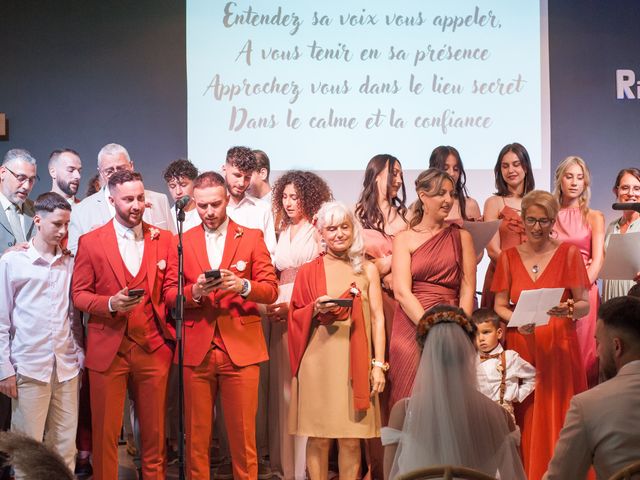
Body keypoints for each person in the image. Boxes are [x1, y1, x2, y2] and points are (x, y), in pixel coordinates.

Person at [162, 171, 278, 480]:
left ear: (227, 199)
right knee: (196, 438)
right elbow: (169, 295)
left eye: (215, 204)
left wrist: (241, 285)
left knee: (243, 438)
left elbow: (270, 289)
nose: (209, 212)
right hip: (196, 349)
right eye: (202, 206)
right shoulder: (181, 241)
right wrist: (195, 292)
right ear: (193, 205)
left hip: (240, 347)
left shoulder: (251, 236)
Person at [71, 170, 175, 480]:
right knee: (104, 433)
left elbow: (169, 288)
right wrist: (109, 304)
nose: (137, 205)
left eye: (141, 198)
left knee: (155, 433)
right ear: (111, 199)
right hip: (107, 350)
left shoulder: (165, 239)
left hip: (153, 347)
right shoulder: (91, 242)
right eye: (128, 199)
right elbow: (78, 294)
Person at [491, 190, 591, 480]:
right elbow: (499, 306)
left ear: (553, 222)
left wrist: (569, 308)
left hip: (558, 346)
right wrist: (516, 321)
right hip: (523, 343)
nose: (537, 227)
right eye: (531, 220)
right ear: (522, 219)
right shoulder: (509, 257)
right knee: (526, 413)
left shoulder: (568, 253)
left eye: (544, 221)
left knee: (559, 415)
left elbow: (584, 304)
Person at [288, 201, 386, 480]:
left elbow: (378, 318)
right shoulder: (308, 270)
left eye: (345, 226)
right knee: (318, 437)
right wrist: (314, 310)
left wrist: (379, 364)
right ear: (321, 234)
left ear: (354, 229)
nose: (339, 233)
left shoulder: (368, 269)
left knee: (351, 438)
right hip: (317, 363)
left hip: (354, 365)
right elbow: (295, 315)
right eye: (332, 228)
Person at [382, 305, 525, 480]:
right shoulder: (501, 417)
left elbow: (390, 476)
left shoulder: (404, 412)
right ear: (470, 351)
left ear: (424, 354)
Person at [0, 192, 84, 475]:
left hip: (66, 368)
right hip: (28, 368)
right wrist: (4, 369)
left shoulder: (71, 262)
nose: (62, 231)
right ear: (38, 220)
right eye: (57, 224)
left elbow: (74, 317)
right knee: (27, 451)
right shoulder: (13, 262)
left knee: (64, 447)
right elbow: (1, 320)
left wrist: (79, 356)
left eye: (67, 224)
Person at [388, 169, 476, 408]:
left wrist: (460, 329)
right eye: (440, 194)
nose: (448, 200)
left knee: (449, 402)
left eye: (451, 193)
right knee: (410, 398)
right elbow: (402, 292)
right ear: (423, 196)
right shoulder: (404, 239)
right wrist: (431, 327)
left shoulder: (462, 237)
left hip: (452, 323)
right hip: (411, 326)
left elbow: (468, 287)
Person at [266, 170, 331, 480]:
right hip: (279, 305)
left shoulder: (316, 230)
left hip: (305, 305)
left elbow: (320, 274)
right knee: (283, 389)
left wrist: (296, 305)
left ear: (309, 198)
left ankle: (306, 467)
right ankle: (285, 465)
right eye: (286, 196)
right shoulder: (282, 229)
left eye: (295, 197)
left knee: (304, 386)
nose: (289, 202)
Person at [354, 154, 408, 478]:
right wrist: (384, 265)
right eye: (393, 173)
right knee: (374, 378)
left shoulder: (406, 217)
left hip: (399, 303)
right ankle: (374, 465)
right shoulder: (357, 216)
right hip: (372, 302)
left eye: (401, 174)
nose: (399, 180)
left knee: (399, 380)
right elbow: (355, 263)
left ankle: (399, 464)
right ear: (376, 175)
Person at [544, 296, 640, 480]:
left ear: (617, 346)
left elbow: (561, 477)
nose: (596, 352)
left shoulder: (588, 405)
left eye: (598, 343)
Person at [552, 156, 605, 386]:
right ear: (560, 180)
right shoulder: (550, 215)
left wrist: (582, 288)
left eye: (579, 177)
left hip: (585, 290)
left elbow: (598, 257)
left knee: (586, 355)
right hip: (556, 289)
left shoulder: (594, 216)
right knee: (557, 353)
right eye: (569, 176)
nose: (574, 182)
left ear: (585, 183)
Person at [67, 142, 175, 254]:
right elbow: (75, 257)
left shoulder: (159, 200)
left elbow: (173, 246)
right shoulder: (80, 211)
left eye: (121, 168)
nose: (116, 175)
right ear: (101, 173)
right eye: (109, 171)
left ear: (131, 166)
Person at [482, 143, 536, 308]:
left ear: (525, 167)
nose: (510, 170)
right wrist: (517, 273)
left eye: (516, 164)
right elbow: (492, 250)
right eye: (505, 166)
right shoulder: (494, 202)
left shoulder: (537, 201)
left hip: (532, 280)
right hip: (501, 278)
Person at [472, 308, 535, 422]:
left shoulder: (509, 357)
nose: (481, 338)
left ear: (499, 333)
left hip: (502, 414)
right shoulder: (471, 361)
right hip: (477, 413)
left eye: (486, 332)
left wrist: (518, 395)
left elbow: (533, 376)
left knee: (505, 440)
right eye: (476, 334)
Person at [223, 146, 276, 255]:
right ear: (224, 169)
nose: (242, 183)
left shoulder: (262, 209)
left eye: (247, 177)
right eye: (237, 175)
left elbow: (271, 254)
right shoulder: (211, 208)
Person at [602, 168, 640, 302]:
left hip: (635, 298)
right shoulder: (611, 226)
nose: (631, 193)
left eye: (637, 188)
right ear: (616, 191)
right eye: (625, 188)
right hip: (610, 296)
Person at [428, 145, 482, 222]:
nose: (452, 173)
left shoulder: (470, 205)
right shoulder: (422, 205)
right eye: (445, 168)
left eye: (456, 169)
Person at [0, 148, 37, 256]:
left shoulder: (37, 210)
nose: (27, 186)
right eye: (21, 178)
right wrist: (4, 256)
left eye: (31, 180)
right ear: (2, 173)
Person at [163, 158, 200, 232]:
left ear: (195, 184)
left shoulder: (204, 213)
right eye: (172, 186)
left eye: (183, 185)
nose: (178, 192)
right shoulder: (167, 218)